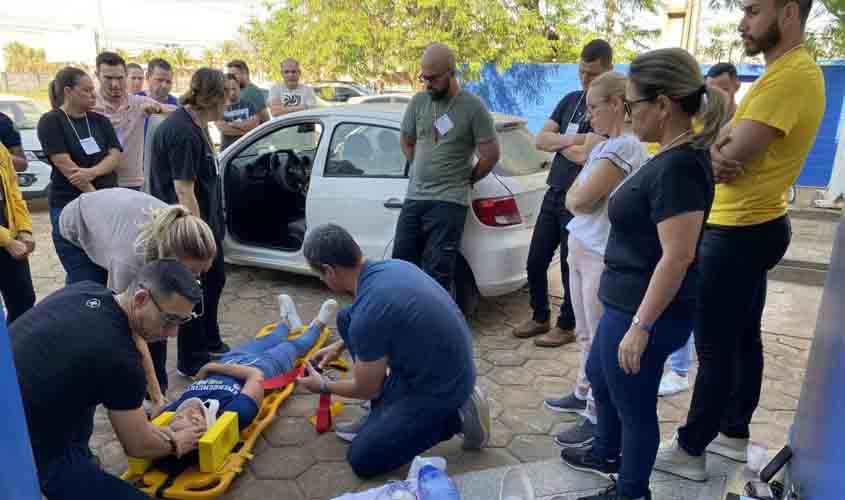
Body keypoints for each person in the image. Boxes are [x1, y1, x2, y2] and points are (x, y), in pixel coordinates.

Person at [655, 0, 825, 480]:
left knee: (713, 346)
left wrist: (712, 153)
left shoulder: (791, 76)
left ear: (788, 11)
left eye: (753, 10)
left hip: (739, 229)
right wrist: (716, 151)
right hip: (752, 224)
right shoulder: (777, 74)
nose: (742, 21)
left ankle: (690, 450)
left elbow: (737, 152)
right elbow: (722, 144)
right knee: (741, 339)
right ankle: (732, 433)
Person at [559, 48, 725, 500]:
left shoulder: (680, 166)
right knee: (602, 371)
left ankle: (631, 490)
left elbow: (678, 255)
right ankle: (609, 451)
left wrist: (641, 326)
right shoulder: (667, 155)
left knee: (634, 404)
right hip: (626, 298)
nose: (629, 115)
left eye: (632, 105)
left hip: (644, 308)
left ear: (664, 104)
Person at [297, 224, 490, 478]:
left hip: (442, 387)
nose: (323, 281)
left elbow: (367, 388)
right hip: (438, 361)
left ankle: (457, 416)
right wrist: (338, 345)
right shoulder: (391, 267)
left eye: (320, 276)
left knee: (363, 458)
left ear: (330, 271)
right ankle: (382, 412)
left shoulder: (369, 314)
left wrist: (323, 386)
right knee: (346, 317)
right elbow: (382, 319)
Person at [11, 259, 205, 500]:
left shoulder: (88, 290)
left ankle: (79, 459)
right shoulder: (118, 360)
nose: (174, 333)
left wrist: (156, 399)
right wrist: (177, 442)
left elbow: (134, 338)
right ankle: (60, 473)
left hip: (15, 392)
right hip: (19, 444)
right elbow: (137, 446)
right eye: (169, 320)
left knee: (88, 384)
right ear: (141, 299)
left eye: (182, 321)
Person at [548, 72, 648, 449]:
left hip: (598, 251)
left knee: (598, 337)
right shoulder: (606, 145)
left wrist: (575, 194)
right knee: (585, 333)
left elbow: (581, 199)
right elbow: (577, 194)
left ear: (616, 103)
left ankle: (595, 413)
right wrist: (576, 193)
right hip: (581, 244)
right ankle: (582, 391)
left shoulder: (624, 148)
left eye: (594, 107)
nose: (589, 117)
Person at [59, 188, 217, 402]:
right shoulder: (131, 261)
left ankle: (155, 390)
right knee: (98, 313)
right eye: (191, 272)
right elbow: (129, 324)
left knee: (160, 316)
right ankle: (103, 382)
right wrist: (155, 393)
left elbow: (164, 321)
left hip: (112, 218)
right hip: (76, 228)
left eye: (201, 272)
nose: (196, 278)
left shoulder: (181, 228)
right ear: (172, 258)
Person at [515, 39, 612, 347]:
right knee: (535, 259)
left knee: (572, 265)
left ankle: (566, 324)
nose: (585, 79)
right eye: (582, 72)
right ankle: (540, 315)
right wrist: (576, 142)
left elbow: (590, 155)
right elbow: (540, 139)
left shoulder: (608, 109)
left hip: (581, 200)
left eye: (593, 74)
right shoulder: (570, 99)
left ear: (608, 70)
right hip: (554, 192)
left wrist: (566, 143)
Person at [657, 61, 742, 398]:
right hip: (705, 218)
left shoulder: (738, 121)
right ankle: (677, 366)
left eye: (721, 85)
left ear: (735, 84)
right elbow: (712, 160)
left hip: (724, 222)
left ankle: (679, 370)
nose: (716, 92)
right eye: (711, 85)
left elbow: (725, 164)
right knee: (682, 288)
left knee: (687, 289)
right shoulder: (702, 126)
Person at [393, 43, 500, 293]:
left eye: (432, 78)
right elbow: (406, 140)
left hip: (448, 201)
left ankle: (432, 327)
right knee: (400, 266)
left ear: (451, 72)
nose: (427, 84)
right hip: (415, 197)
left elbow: (491, 154)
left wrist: (469, 178)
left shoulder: (473, 107)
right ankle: (404, 321)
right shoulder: (419, 102)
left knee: (437, 271)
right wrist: (419, 166)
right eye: (424, 78)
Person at [149, 68, 230, 376]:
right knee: (192, 291)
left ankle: (210, 340)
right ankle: (193, 359)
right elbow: (184, 190)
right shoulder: (182, 132)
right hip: (187, 230)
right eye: (225, 93)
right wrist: (200, 242)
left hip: (207, 224)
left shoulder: (198, 124)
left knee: (215, 280)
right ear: (214, 97)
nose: (230, 99)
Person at [164, 295, 338, 431]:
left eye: (177, 418)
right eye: (190, 419)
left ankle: (288, 322)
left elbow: (155, 418)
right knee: (292, 346)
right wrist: (211, 366)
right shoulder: (233, 413)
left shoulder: (182, 407)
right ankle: (318, 324)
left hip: (232, 360)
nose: (183, 413)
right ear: (200, 422)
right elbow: (255, 376)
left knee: (271, 338)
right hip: (262, 368)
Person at [37, 66, 122, 284]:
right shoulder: (52, 121)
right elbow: (66, 166)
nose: (93, 94)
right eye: (86, 90)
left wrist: (92, 172)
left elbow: (114, 155)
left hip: (103, 202)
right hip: (71, 207)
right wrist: (95, 201)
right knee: (83, 274)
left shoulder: (99, 121)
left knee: (107, 271)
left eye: (93, 89)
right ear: (68, 91)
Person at [93, 52, 175, 191]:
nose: (115, 84)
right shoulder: (88, 105)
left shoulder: (138, 103)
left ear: (125, 75)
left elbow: (176, 111)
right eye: (108, 78)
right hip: (98, 181)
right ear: (97, 75)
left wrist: (158, 109)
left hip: (131, 182)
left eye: (120, 78)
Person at [0, 144, 35, 323]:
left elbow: (14, 192)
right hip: (6, 240)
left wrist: (24, 229)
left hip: (10, 237)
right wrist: (6, 241)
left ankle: (14, 350)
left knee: (24, 302)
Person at [216, 73, 259, 151]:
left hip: (249, 151)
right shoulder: (219, 108)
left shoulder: (249, 105)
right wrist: (247, 130)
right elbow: (224, 129)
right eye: (228, 89)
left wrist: (233, 124)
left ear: (239, 87)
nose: (232, 92)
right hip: (229, 153)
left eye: (234, 88)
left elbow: (254, 125)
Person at [226, 60, 270, 124]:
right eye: (229, 75)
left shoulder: (252, 92)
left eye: (234, 75)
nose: (231, 78)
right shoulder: (237, 91)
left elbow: (265, 118)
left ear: (245, 73)